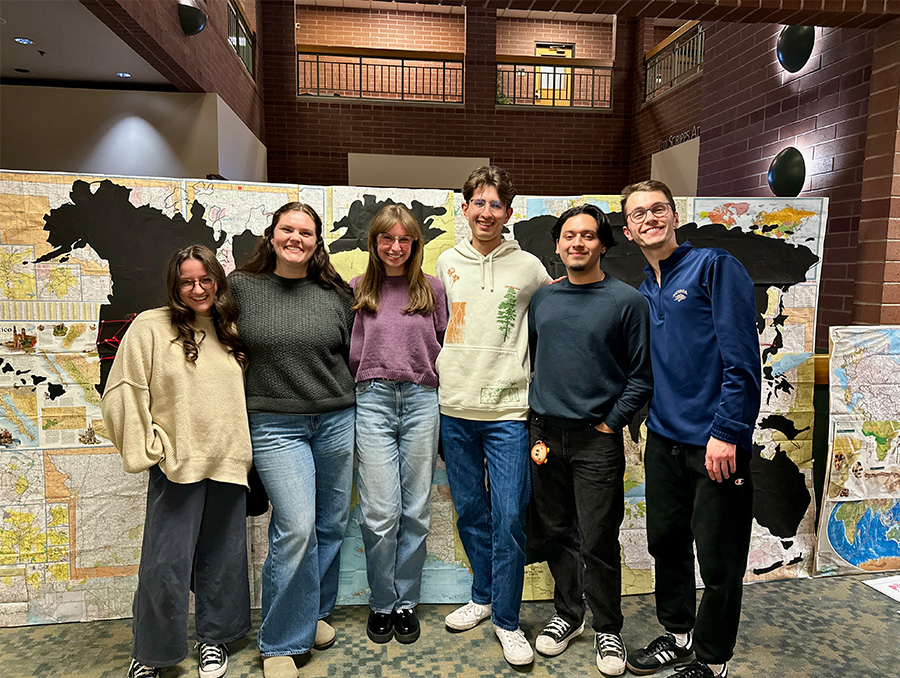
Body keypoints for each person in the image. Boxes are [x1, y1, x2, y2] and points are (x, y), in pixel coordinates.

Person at [619, 181, 761, 678]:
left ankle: (713, 658)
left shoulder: (715, 268)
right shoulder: (642, 290)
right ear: (629, 229)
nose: (649, 218)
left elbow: (743, 361)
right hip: (664, 441)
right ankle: (678, 635)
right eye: (638, 214)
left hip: (716, 443)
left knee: (720, 561)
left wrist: (727, 431)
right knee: (667, 544)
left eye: (658, 209)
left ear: (673, 215)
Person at [101, 244, 252, 678]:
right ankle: (151, 653)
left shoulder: (230, 328)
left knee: (222, 561)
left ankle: (213, 640)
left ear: (218, 283)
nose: (198, 289)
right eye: (187, 281)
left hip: (228, 461)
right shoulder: (151, 327)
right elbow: (123, 392)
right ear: (175, 285)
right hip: (176, 465)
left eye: (206, 280)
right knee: (163, 565)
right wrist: (147, 449)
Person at [228, 203, 355, 678]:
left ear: (317, 241)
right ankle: (280, 641)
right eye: (288, 229)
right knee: (297, 526)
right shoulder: (241, 287)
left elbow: (351, 351)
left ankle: (314, 611)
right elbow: (205, 324)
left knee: (329, 524)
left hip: (337, 419)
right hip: (275, 424)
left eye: (306, 232)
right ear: (272, 235)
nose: (296, 238)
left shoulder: (335, 293)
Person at [528, 205, 652, 676]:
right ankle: (568, 615)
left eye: (588, 235)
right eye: (569, 236)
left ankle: (608, 628)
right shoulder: (543, 299)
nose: (577, 243)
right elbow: (540, 360)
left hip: (596, 441)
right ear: (557, 246)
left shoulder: (627, 302)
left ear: (603, 243)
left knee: (598, 536)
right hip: (544, 437)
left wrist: (610, 423)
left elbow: (641, 377)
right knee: (558, 531)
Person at [436, 165, 551, 666]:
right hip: (454, 408)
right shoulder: (444, 262)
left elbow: (556, 317)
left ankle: (507, 620)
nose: (486, 212)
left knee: (508, 518)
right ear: (465, 209)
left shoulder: (529, 267)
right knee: (471, 513)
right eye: (477, 203)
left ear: (509, 211)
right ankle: (482, 596)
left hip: (509, 412)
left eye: (495, 204)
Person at [349, 203, 448, 645]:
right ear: (374, 243)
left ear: (414, 244)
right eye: (386, 239)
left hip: (422, 400)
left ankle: (406, 602)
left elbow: (448, 346)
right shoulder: (357, 288)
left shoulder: (432, 289)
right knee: (379, 513)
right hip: (371, 401)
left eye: (403, 239)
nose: (395, 247)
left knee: (415, 511)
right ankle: (381, 602)